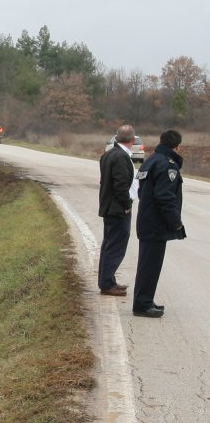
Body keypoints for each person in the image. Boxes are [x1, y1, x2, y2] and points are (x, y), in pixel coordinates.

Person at [132, 129, 185, 318]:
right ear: (177, 146)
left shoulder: (152, 160)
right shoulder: (167, 164)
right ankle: (142, 305)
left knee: (148, 265)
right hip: (155, 224)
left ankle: (145, 300)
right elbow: (165, 197)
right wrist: (176, 223)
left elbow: (141, 191)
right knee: (150, 265)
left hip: (147, 220)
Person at [97, 124, 137, 296]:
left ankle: (107, 280)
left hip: (109, 207)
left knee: (109, 245)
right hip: (117, 209)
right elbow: (120, 186)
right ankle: (107, 284)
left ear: (116, 137)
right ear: (133, 140)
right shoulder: (121, 157)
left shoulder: (108, 154)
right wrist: (127, 205)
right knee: (115, 247)